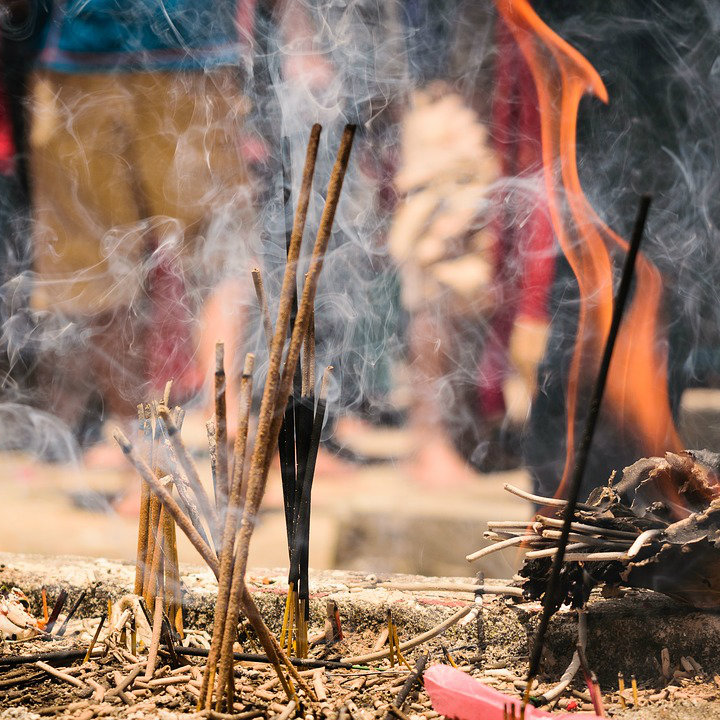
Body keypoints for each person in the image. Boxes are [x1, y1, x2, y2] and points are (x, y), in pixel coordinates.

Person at [28, 0, 255, 449]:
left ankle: (225, 430)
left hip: (191, 53)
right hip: (84, 58)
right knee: (98, 265)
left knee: (217, 248)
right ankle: (143, 448)